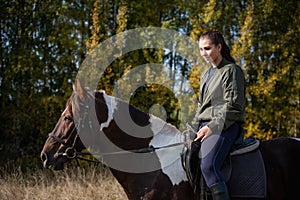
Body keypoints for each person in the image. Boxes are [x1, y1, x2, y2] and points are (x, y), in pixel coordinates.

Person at [191, 30, 246, 200]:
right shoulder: (206, 75)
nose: (203, 53)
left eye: (207, 48)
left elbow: (234, 106)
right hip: (204, 126)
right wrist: (193, 126)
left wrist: (211, 126)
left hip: (225, 126)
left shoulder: (232, 71)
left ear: (219, 47)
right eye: (201, 49)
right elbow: (202, 107)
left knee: (208, 165)